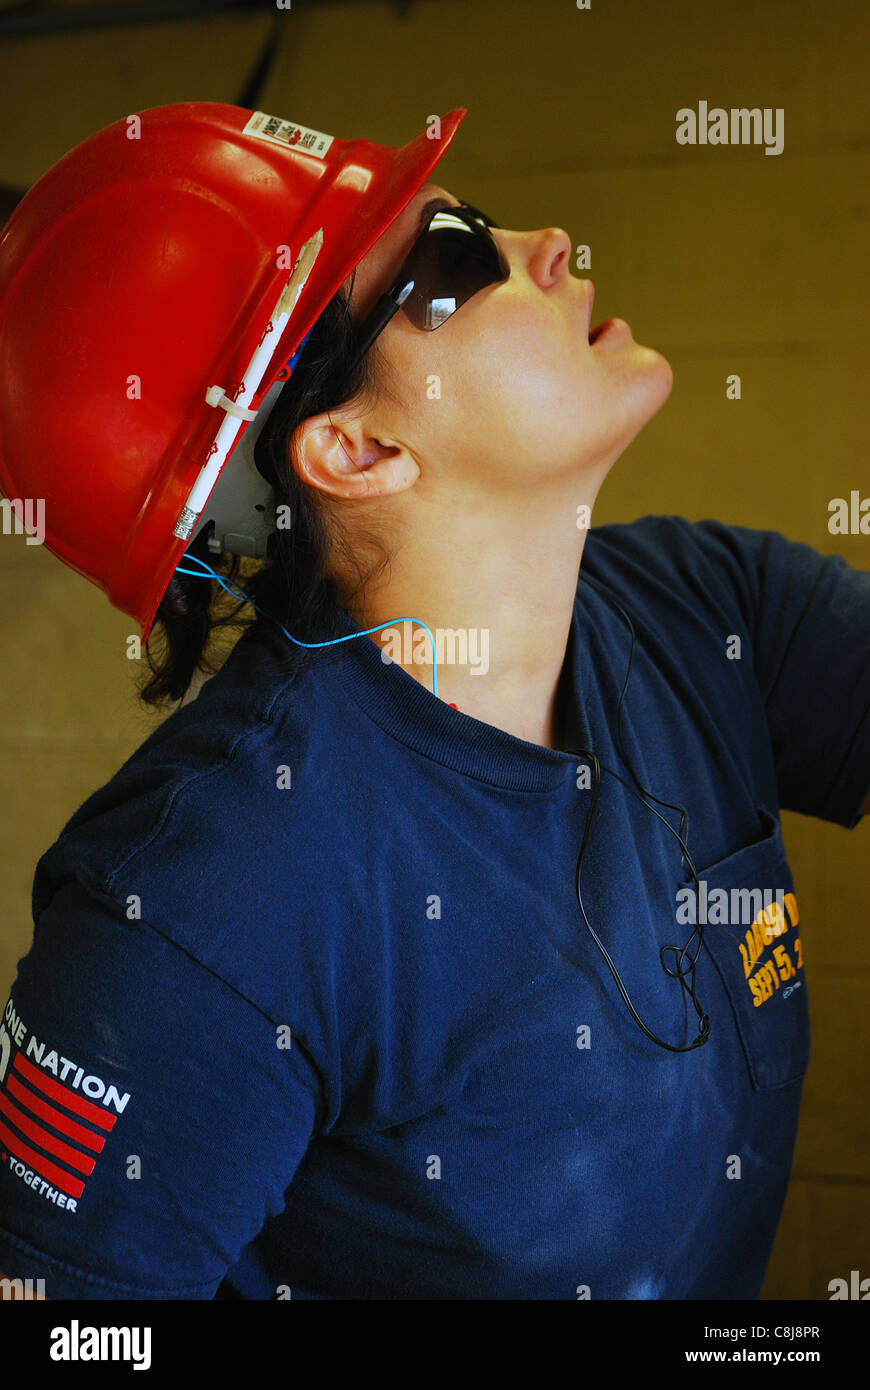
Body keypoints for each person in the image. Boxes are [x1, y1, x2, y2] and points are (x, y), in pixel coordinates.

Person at [0, 101, 867, 1302]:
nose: (550, 241)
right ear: (355, 452)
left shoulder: (706, 611)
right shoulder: (201, 908)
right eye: (456, 261)